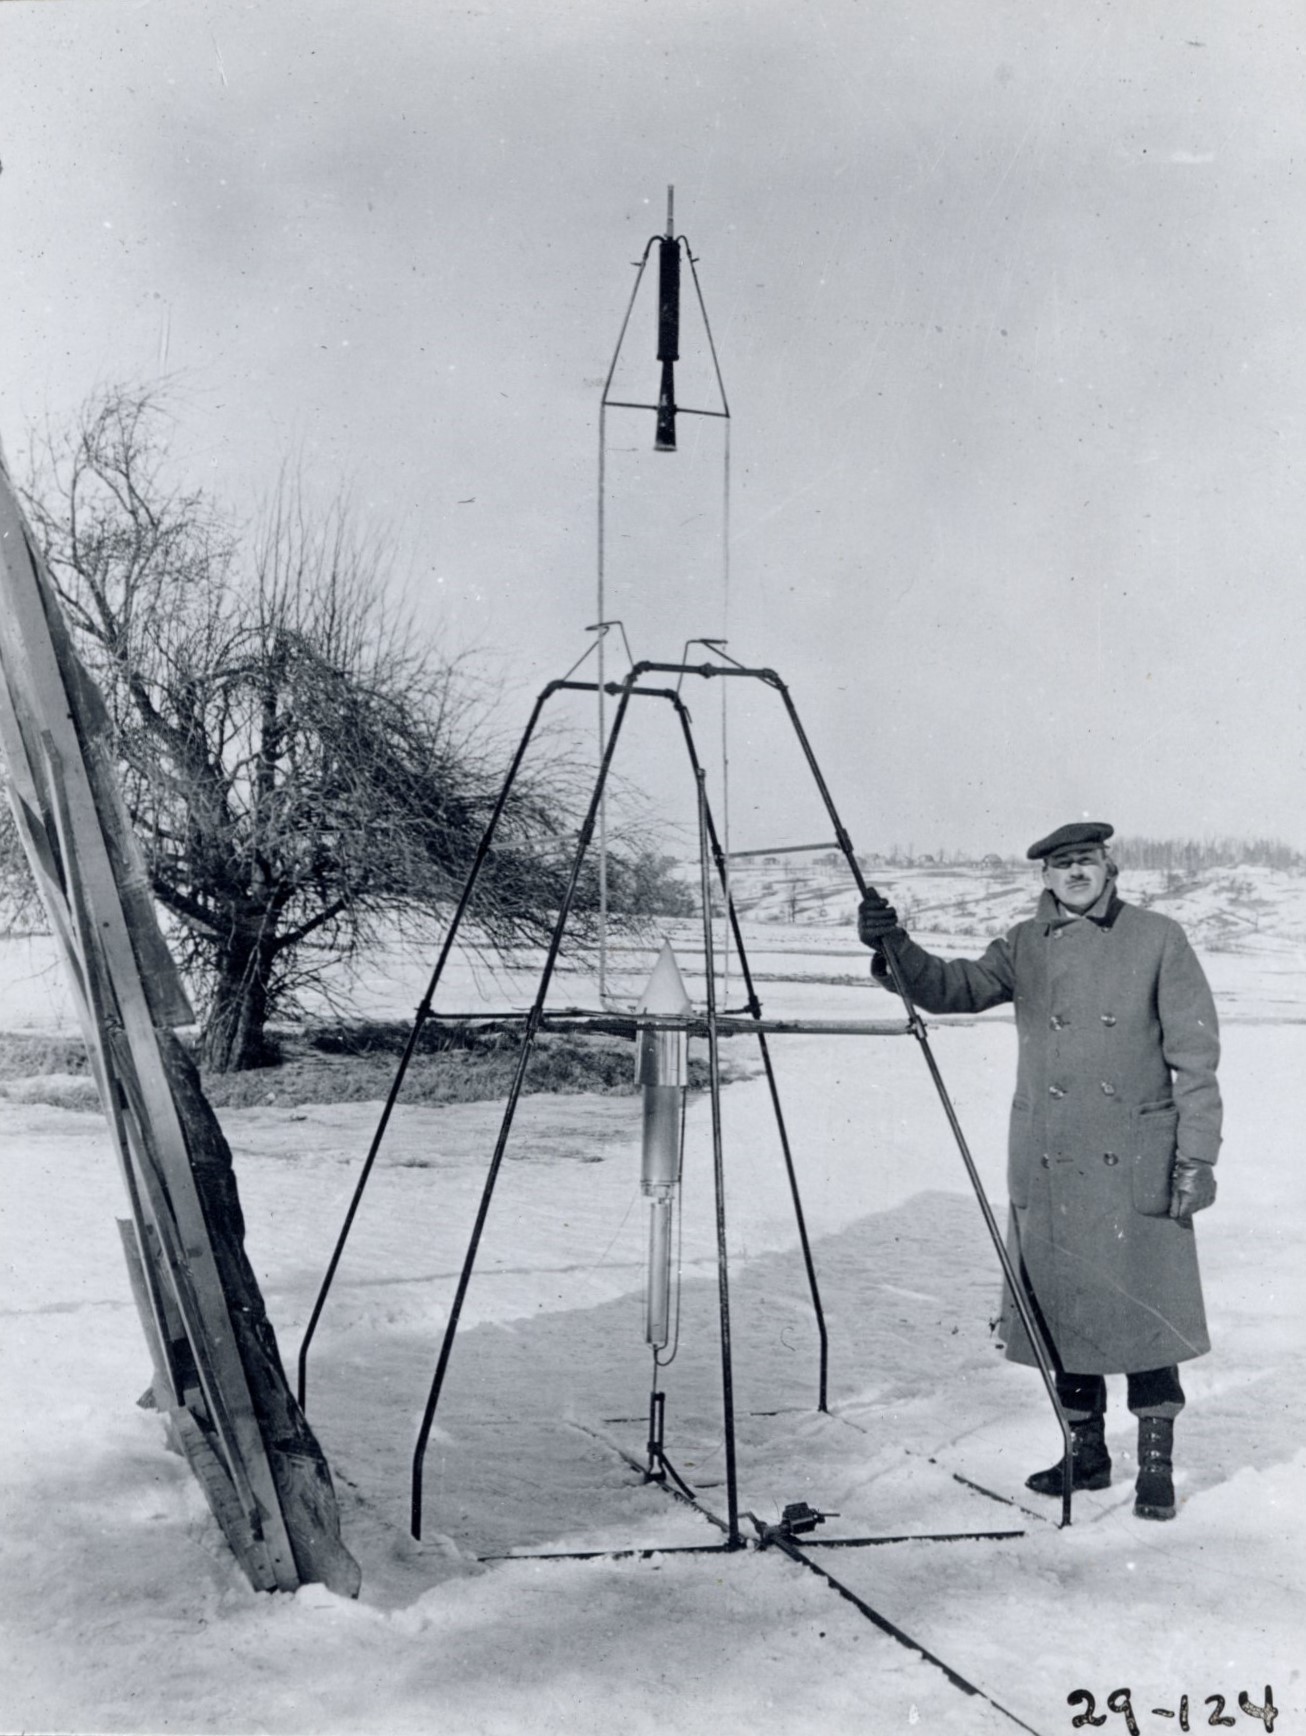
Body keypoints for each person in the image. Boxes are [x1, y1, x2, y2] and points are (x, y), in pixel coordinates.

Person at [857, 821, 1221, 1521]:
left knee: (1145, 1313)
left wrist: (1197, 1156)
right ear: (1045, 879)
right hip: (1051, 1159)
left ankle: (1154, 1466)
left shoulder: (1159, 937)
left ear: (1108, 867)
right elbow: (953, 987)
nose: (1074, 874)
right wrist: (892, 945)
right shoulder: (1025, 944)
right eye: (1061, 865)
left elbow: (1196, 1060)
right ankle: (1085, 1453)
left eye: (1085, 861)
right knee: (1064, 1311)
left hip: (1135, 1156)